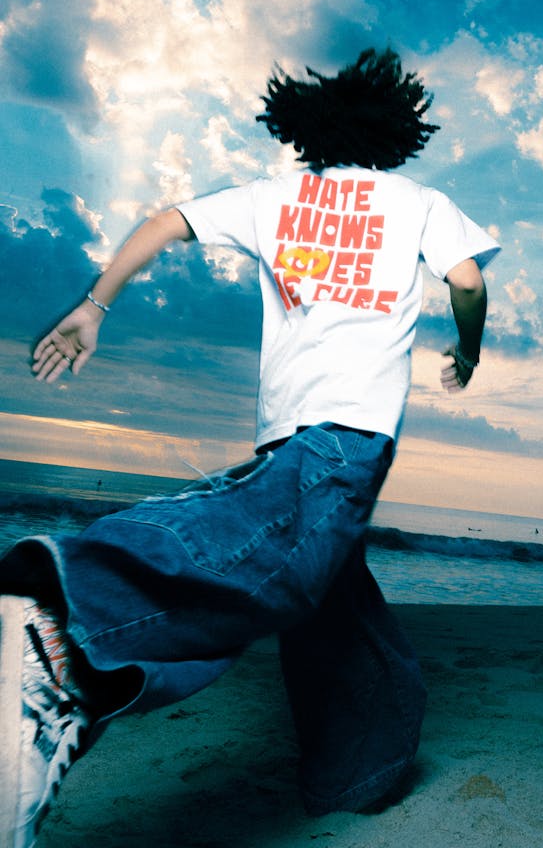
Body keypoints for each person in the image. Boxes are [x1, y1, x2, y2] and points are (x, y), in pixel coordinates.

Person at [0, 47, 500, 846]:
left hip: (290, 432)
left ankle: (356, 774)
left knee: (334, 605)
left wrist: (95, 303)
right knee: (281, 568)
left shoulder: (275, 198)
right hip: (353, 431)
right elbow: (467, 280)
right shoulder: (418, 201)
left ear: (306, 131)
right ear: (397, 127)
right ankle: (53, 633)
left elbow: (165, 221)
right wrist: (468, 352)